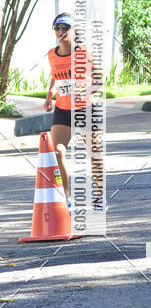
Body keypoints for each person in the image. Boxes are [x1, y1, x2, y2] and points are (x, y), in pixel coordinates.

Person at [43, 13, 105, 210]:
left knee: (94, 153)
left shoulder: (83, 53)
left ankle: (101, 198)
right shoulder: (52, 54)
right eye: (57, 28)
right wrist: (49, 96)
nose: (61, 32)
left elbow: (98, 82)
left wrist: (84, 92)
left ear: (72, 31)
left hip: (86, 108)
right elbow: (56, 78)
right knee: (58, 151)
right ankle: (67, 198)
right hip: (63, 109)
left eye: (65, 28)